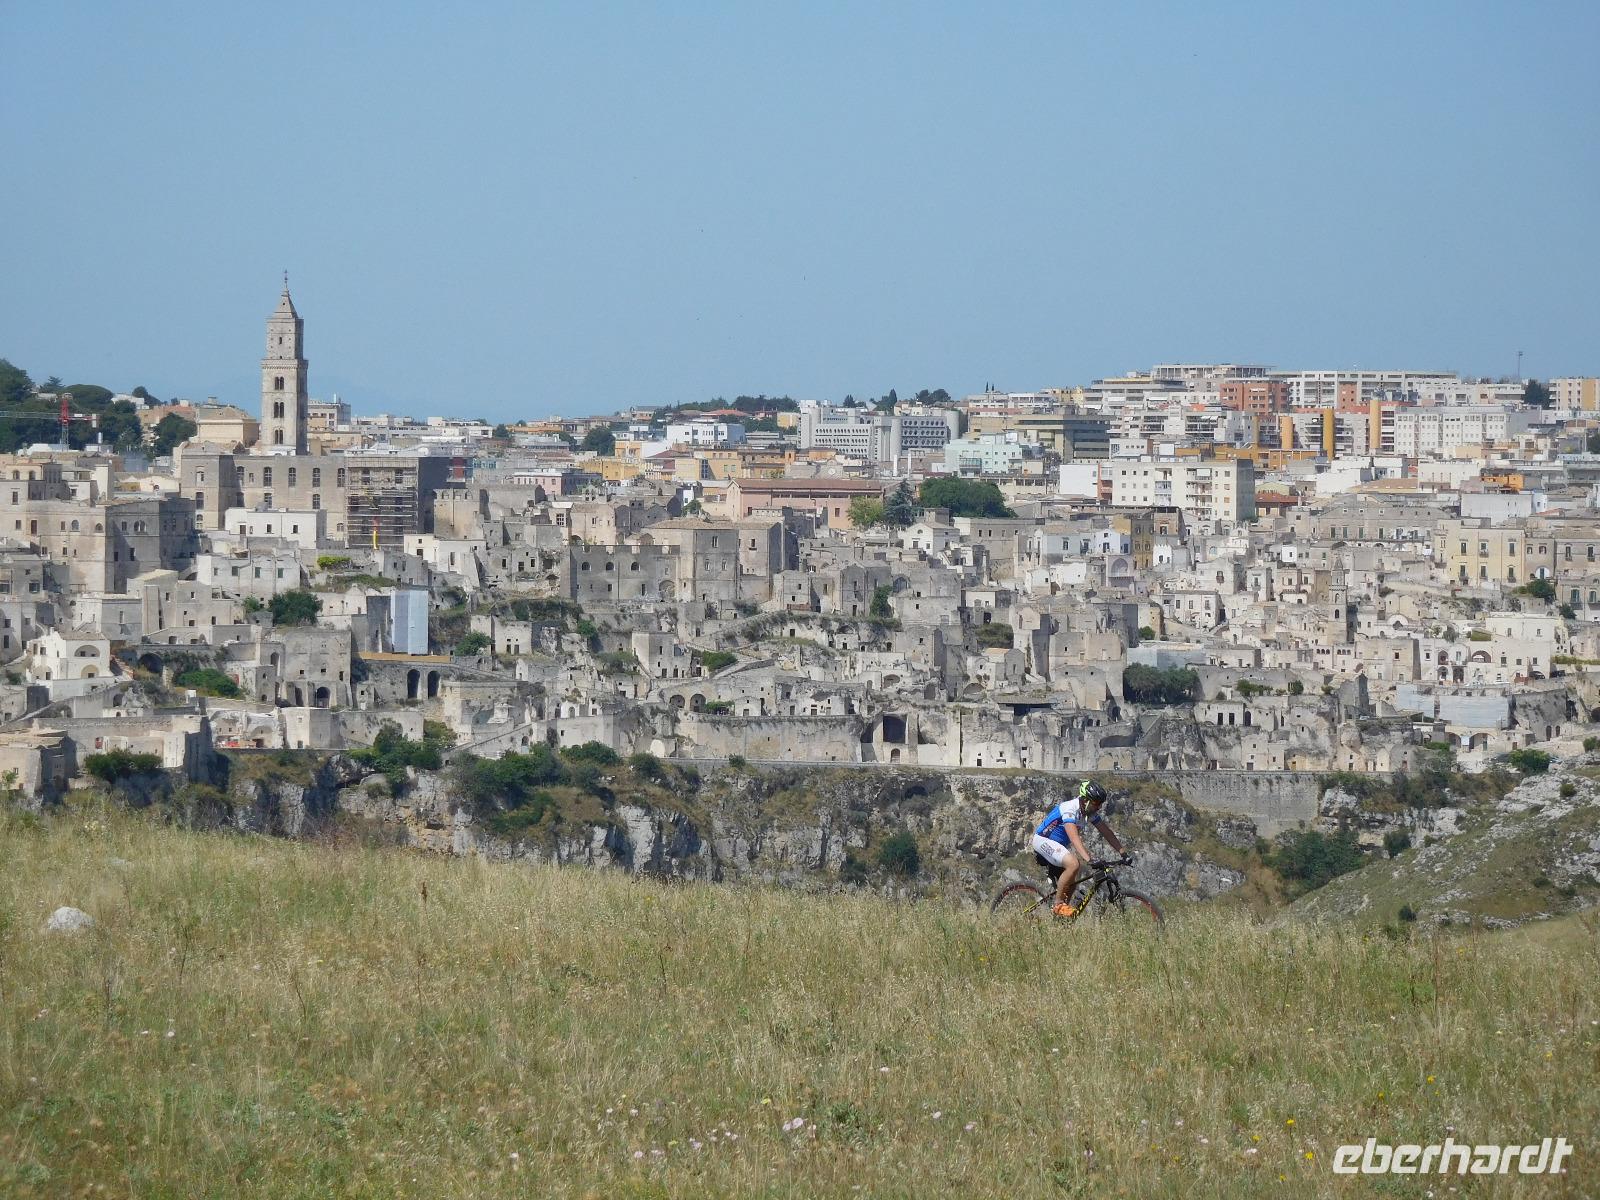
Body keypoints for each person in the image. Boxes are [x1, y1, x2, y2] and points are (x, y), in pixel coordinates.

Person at [1031, 780, 1129, 918]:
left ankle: (1060, 920)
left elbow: (1107, 832)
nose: (1098, 807)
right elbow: (1074, 838)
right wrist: (1089, 859)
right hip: (1043, 841)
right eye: (1096, 803)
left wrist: (1123, 853)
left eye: (1100, 804)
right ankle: (1058, 905)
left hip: (1057, 846)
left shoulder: (1089, 812)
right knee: (1074, 864)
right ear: (1085, 800)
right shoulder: (1070, 809)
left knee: (1071, 885)